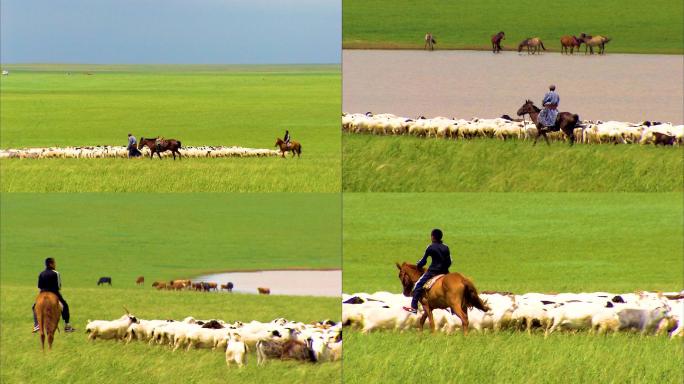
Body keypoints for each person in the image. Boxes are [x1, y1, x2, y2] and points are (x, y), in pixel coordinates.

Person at [403, 229, 452, 314]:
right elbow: (449, 261)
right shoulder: (446, 247)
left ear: (432, 237)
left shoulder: (430, 247)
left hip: (433, 272)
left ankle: (414, 307)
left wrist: (418, 265)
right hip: (445, 271)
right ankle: (454, 310)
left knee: (418, 285)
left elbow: (423, 261)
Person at [32, 258, 75, 333]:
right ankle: (67, 326)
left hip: (42, 292)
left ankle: (36, 325)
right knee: (65, 305)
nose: (55, 265)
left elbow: (39, 286)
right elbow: (58, 286)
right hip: (54, 292)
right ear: (51, 264)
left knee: (34, 307)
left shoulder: (41, 273)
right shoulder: (56, 273)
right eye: (54, 263)